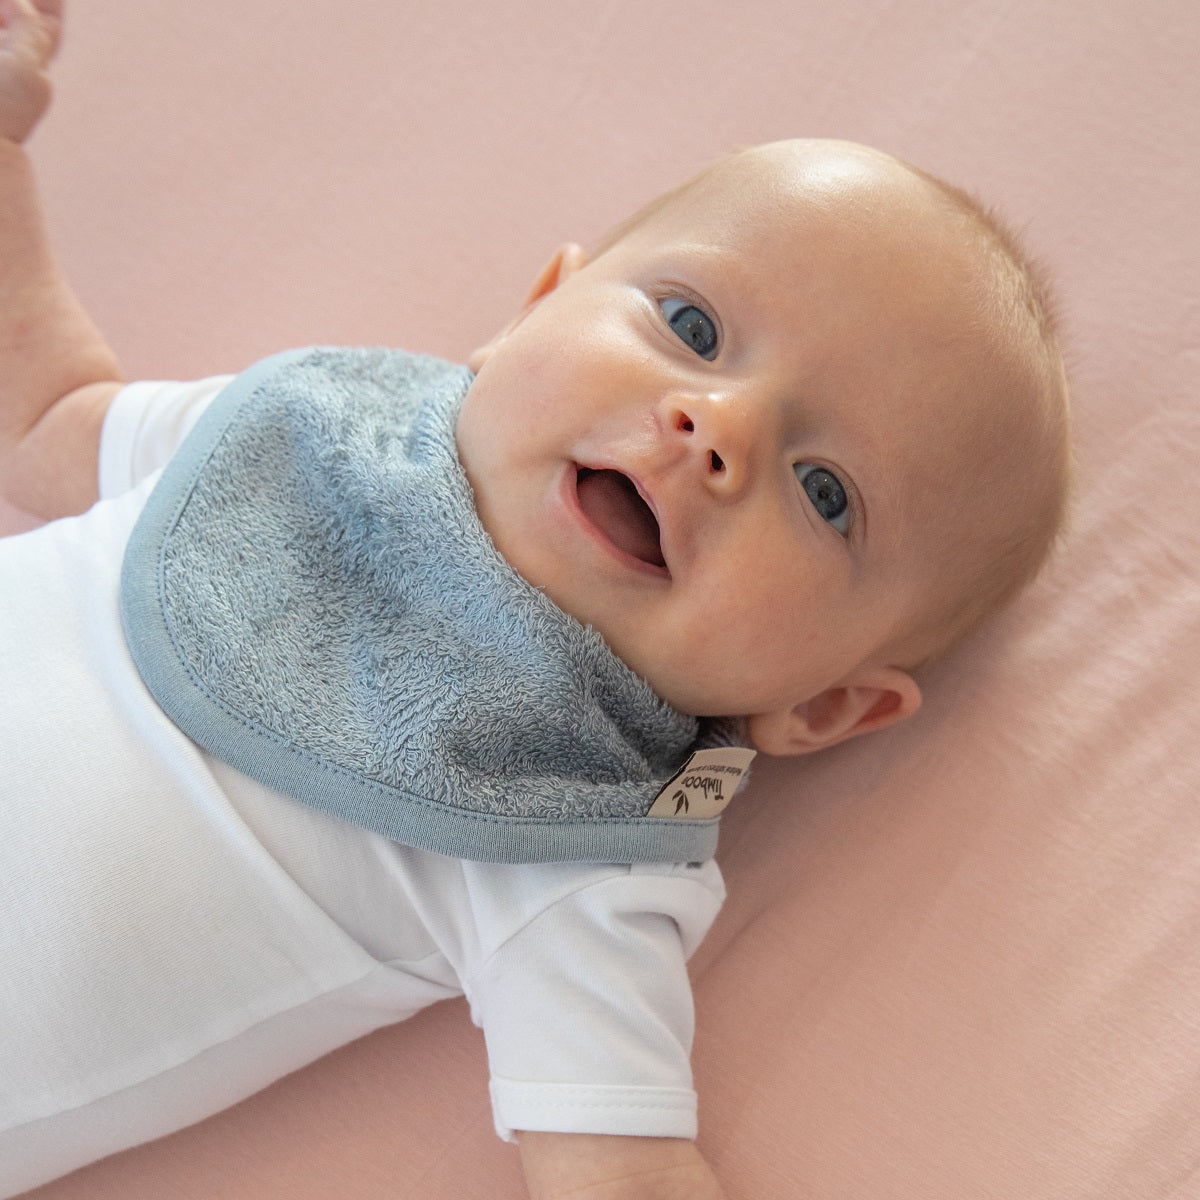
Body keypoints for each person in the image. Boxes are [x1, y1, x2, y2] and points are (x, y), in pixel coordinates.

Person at [0, 1, 1070, 1197]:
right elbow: (45, 420)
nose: (714, 425)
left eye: (826, 494)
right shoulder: (309, 439)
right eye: (693, 325)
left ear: (824, 705)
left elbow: (622, 1171)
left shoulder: (572, 844)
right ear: (530, 312)